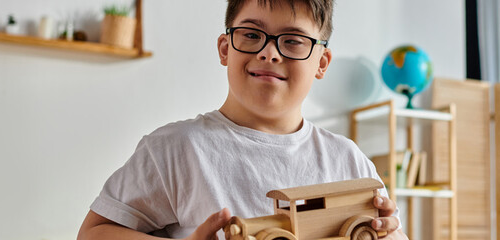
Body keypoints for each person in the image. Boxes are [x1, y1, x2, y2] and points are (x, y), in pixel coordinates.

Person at [77, 0, 407, 239]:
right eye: (251, 35)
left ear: (322, 62)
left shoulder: (349, 160)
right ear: (225, 48)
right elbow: (94, 234)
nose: (270, 53)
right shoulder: (175, 148)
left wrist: (386, 234)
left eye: (292, 41)